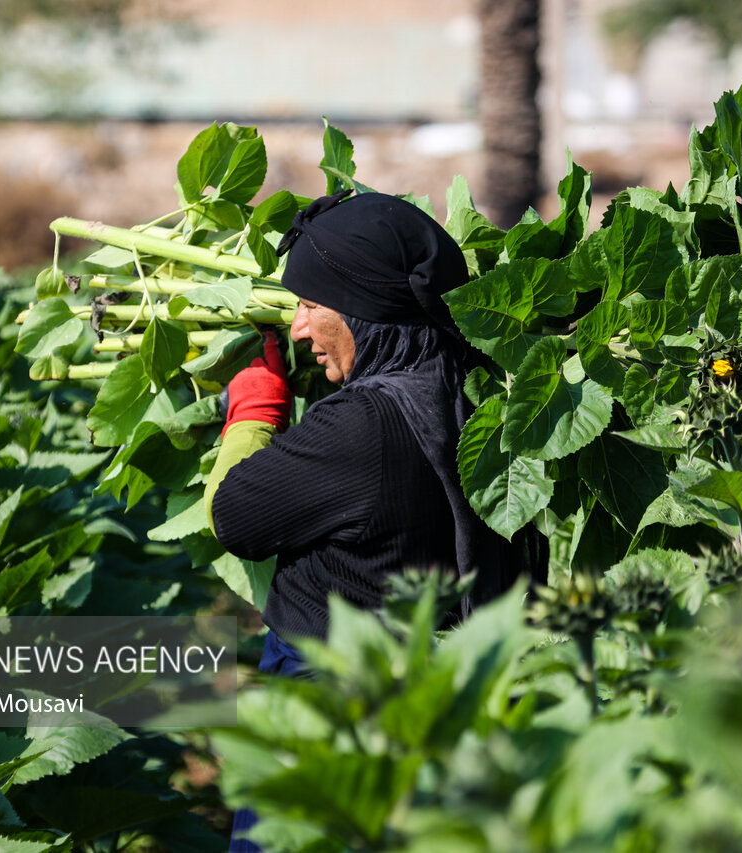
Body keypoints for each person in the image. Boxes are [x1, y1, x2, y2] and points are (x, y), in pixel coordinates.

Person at [203, 189, 544, 851]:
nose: (298, 330)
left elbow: (234, 516)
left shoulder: (360, 426)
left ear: (363, 311)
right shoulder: (472, 387)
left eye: (308, 306)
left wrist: (252, 411)